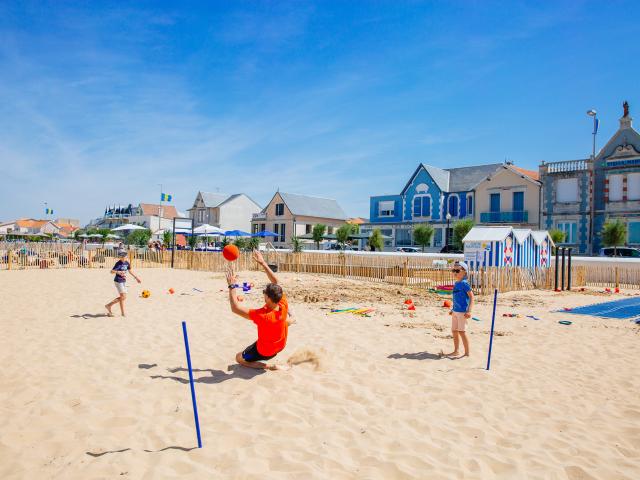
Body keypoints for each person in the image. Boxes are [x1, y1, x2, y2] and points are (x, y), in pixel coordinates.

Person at [226, 250, 293, 370]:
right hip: (281, 346)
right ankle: (291, 320)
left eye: (264, 293)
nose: (263, 294)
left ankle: (270, 366)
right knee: (286, 322)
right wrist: (263, 263)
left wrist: (232, 286)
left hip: (265, 352)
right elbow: (276, 282)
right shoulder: (283, 304)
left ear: (268, 298)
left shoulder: (263, 315)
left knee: (238, 358)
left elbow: (235, 308)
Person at [443, 261, 474, 358]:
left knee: (462, 332)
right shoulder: (456, 283)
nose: (455, 272)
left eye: (457, 270)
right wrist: (453, 309)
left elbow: (472, 297)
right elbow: (456, 298)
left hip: (462, 313)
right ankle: (456, 351)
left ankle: (467, 353)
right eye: (453, 270)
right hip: (455, 311)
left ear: (464, 272)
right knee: (454, 331)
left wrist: (469, 311)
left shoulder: (465, 284)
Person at [105, 250, 141, 317]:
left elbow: (130, 271)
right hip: (118, 281)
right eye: (123, 256)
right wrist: (118, 272)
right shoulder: (118, 263)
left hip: (123, 281)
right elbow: (111, 271)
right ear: (120, 257)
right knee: (123, 297)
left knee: (123, 298)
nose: (124, 257)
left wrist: (136, 278)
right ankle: (122, 313)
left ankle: (109, 305)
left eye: (125, 256)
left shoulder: (127, 263)